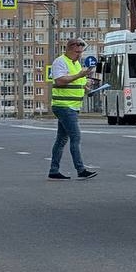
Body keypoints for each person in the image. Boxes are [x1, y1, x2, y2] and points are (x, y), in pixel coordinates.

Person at [49, 39, 98, 180]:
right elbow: (60, 81)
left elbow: (76, 82)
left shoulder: (76, 64)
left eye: (81, 52)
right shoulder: (60, 62)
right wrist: (80, 75)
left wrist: (87, 88)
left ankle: (54, 170)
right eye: (77, 52)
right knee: (75, 137)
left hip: (72, 106)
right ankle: (80, 170)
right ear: (69, 49)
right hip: (64, 106)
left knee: (61, 139)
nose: (79, 55)